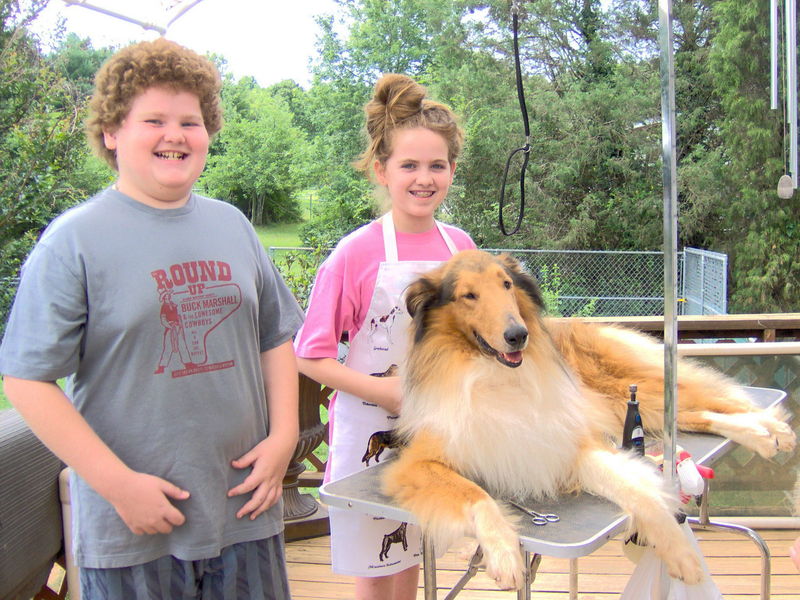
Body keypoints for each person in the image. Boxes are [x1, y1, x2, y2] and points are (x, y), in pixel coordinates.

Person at [0, 38, 304, 599]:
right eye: (154, 120)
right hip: (133, 527)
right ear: (111, 133)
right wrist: (117, 485)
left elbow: (275, 337)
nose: (175, 135)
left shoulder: (234, 226)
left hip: (245, 509)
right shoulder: (73, 241)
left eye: (190, 121)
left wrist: (284, 437)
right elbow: (25, 379)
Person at [293, 73, 477, 600]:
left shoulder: (462, 248)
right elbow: (310, 356)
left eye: (437, 165)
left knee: (413, 552)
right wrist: (385, 391)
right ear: (382, 170)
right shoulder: (355, 253)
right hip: (370, 433)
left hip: (438, 431)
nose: (424, 178)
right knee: (376, 565)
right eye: (409, 165)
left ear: (452, 170)